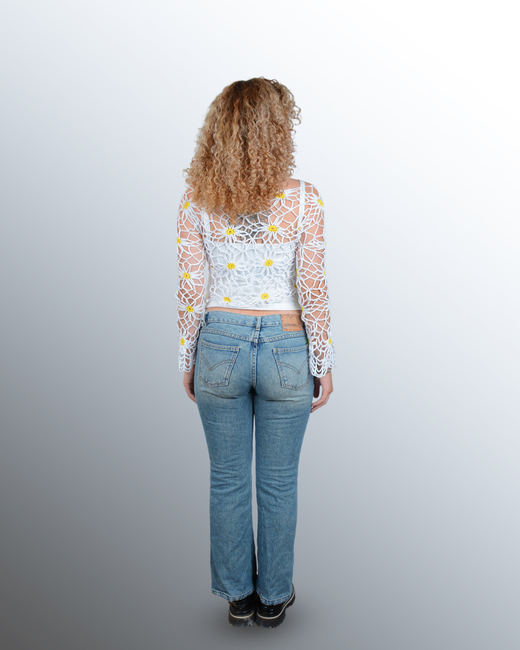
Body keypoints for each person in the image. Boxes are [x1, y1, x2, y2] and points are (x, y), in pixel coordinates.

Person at [176, 77, 336, 628]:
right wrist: (323, 361)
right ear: (277, 131)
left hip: (218, 343)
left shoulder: (195, 200)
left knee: (226, 479)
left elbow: (190, 290)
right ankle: (273, 599)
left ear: (218, 132)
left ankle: (237, 597)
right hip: (287, 346)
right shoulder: (304, 199)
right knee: (278, 482)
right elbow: (312, 285)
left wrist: (187, 360)